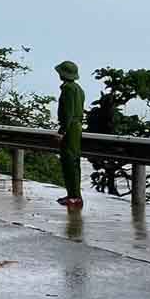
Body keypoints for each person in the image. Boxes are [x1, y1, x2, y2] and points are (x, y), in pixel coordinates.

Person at [55, 61, 85, 207]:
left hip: (71, 127)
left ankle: (74, 196)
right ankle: (74, 194)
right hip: (77, 126)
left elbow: (68, 113)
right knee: (74, 161)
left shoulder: (68, 89)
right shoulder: (78, 89)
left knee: (69, 161)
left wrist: (62, 131)